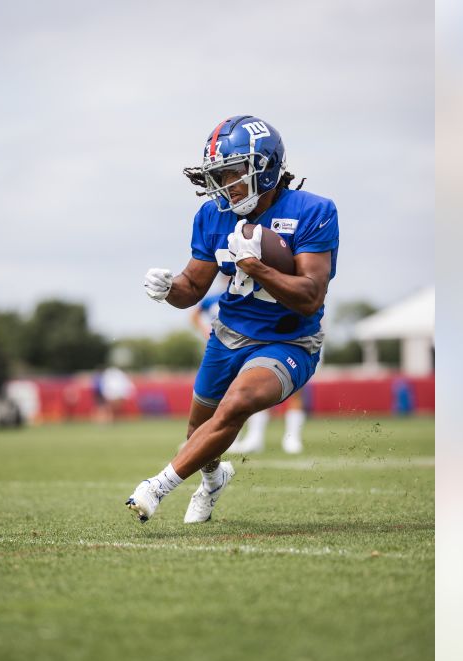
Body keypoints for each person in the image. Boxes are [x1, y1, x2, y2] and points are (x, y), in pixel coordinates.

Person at [127, 115, 339, 523]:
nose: (223, 183)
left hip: (288, 339)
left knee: (238, 403)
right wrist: (169, 288)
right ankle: (213, 481)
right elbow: (192, 288)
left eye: (231, 172)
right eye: (217, 174)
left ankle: (156, 487)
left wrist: (257, 267)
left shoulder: (314, 211)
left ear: (264, 168)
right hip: (228, 335)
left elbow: (311, 297)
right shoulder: (213, 215)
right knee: (198, 434)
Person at [191, 281, 308, 456]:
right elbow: (195, 315)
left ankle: (292, 437)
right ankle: (250, 437)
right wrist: (206, 332)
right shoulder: (215, 298)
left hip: (283, 343)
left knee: (291, 391)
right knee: (236, 393)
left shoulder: (262, 292)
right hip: (228, 350)